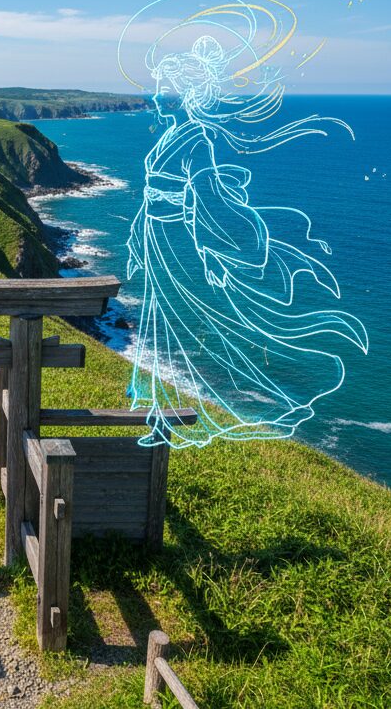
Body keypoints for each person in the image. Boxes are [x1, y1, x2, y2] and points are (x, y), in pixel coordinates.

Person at [126, 35, 367, 447]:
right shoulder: (171, 137)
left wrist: (209, 252)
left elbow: (205, 199)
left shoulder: (197, 140)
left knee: (198, 324)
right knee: (163, 323)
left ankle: (253, 401)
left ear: (186, 93)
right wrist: (136, 237)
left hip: (177, 243)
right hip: (157, 238)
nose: (156, 97)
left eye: (164, 89)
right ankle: (159, 416)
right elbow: (157, 193)